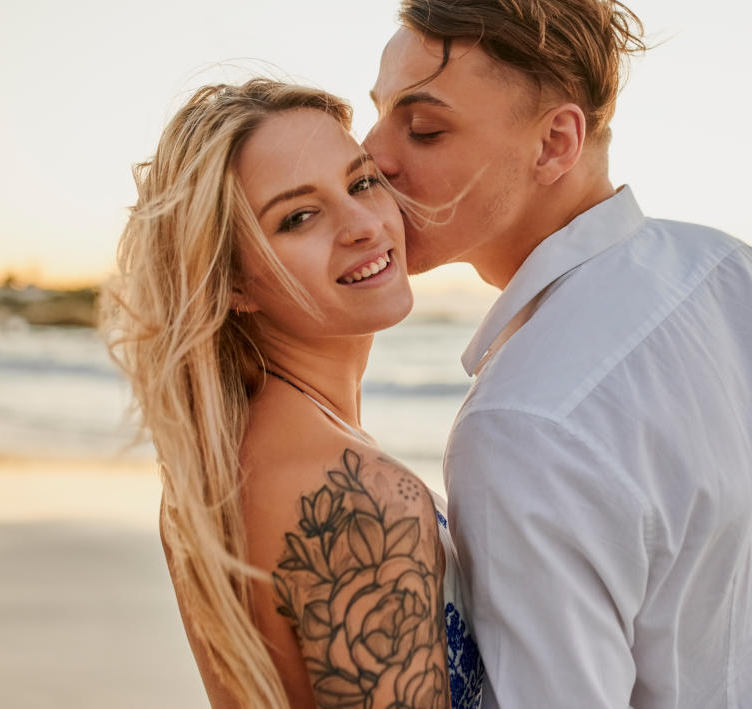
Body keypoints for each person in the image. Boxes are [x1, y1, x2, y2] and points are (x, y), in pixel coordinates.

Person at [363, 0, 752, 708]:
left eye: (422, 129)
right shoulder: (751, 276)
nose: (370, 157)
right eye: (378, 113)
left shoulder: (522, 424)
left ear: (556, 143)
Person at [105, 79, 484, 709]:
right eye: (298, 217)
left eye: (361, 182)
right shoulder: (358, 500)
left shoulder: (218, 466)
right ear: (231, 283)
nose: (363, 224)